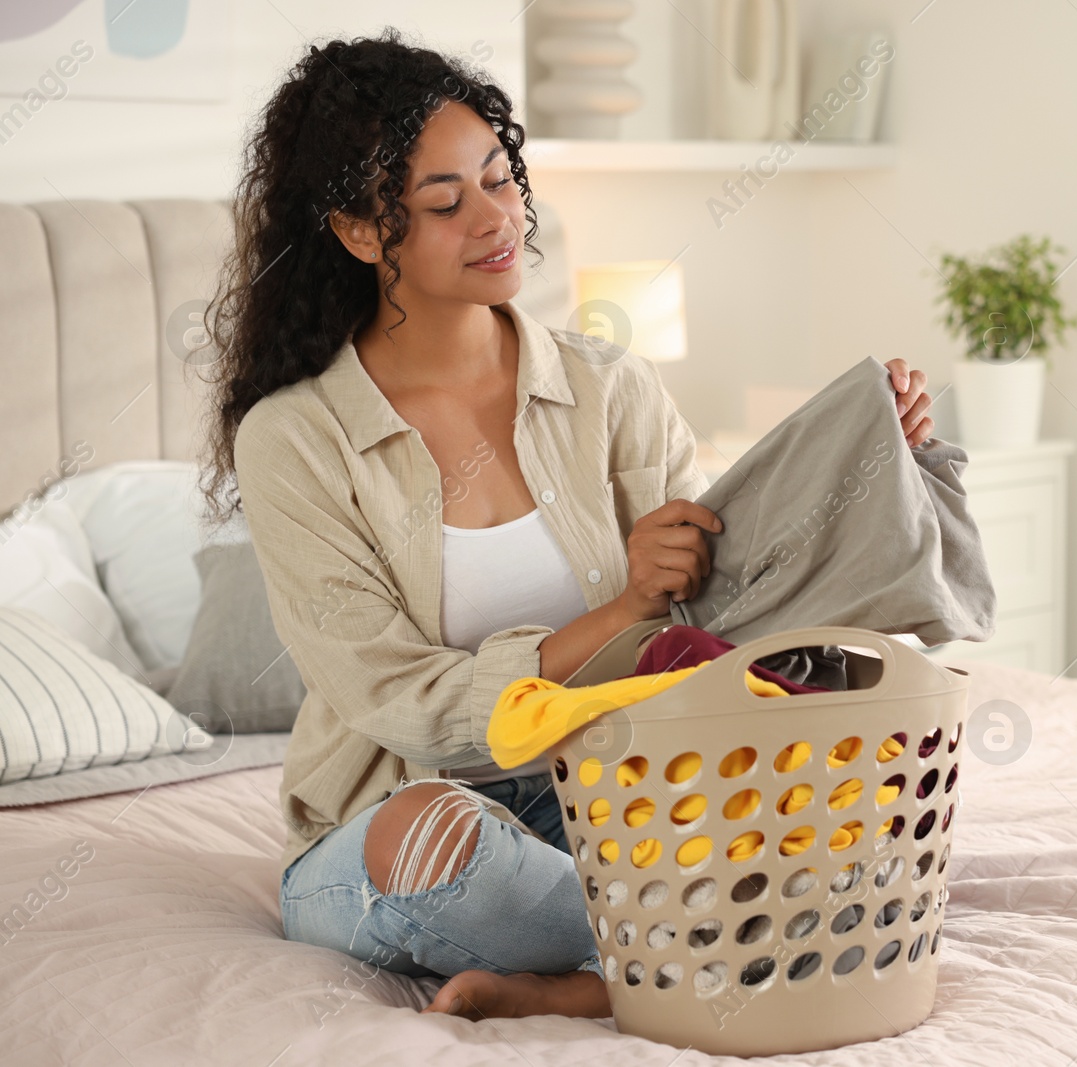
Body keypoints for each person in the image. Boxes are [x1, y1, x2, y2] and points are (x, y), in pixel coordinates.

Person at [200, 29, 936, 1022]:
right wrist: (623, 604)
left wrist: (878, 454)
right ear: (361, 231)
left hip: (615, 788)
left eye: (500, 180)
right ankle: (729, 941)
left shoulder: (609, 386)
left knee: (857, 788)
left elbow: (726, 604)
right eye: (444, 201)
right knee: (432, 836)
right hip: (411, 805)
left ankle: (597, 974)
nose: (496, 219)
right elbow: (394, 699)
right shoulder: (298, 440)